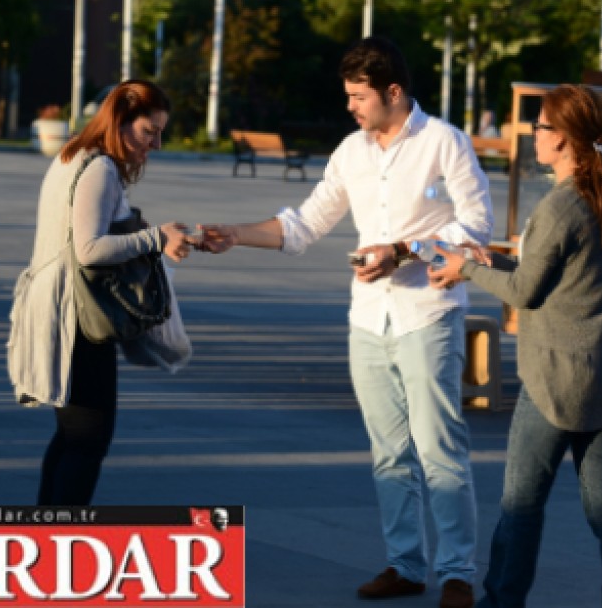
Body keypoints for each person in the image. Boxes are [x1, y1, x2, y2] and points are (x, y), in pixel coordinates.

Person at [197, 37, 493, 608]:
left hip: (428, 316)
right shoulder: (351, 151)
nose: (350, 106)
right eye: (349, 95)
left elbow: (476, 226)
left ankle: (457, 573)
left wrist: (401, 251)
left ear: (393, 92)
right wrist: (236, 234)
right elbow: (304, 224)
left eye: (359, 96)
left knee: (439, 450)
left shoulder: (445, 142)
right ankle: (405, 565)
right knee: (388, 453)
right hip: (368, 321)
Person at [428, 84, 602, 608]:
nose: (534, 134)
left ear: (564, 138)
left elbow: (526, 293)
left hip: (558, 378)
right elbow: (559, 276)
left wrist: (466, 269)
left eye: (541, 126)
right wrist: (492, 261)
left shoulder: (560, 206)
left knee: (521, 504)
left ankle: (502, 601)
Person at [8, 80, 193, 505]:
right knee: (88, 440)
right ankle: (61, 536)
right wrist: (155, 237)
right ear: (120, 121)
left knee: (72, 436)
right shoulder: (100, 168)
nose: (156, 144)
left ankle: (48, 528)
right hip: (77, 315)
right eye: (149, 131)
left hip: (58, 307)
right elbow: (89, 250)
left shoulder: (73, 154)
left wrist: (154, 237)